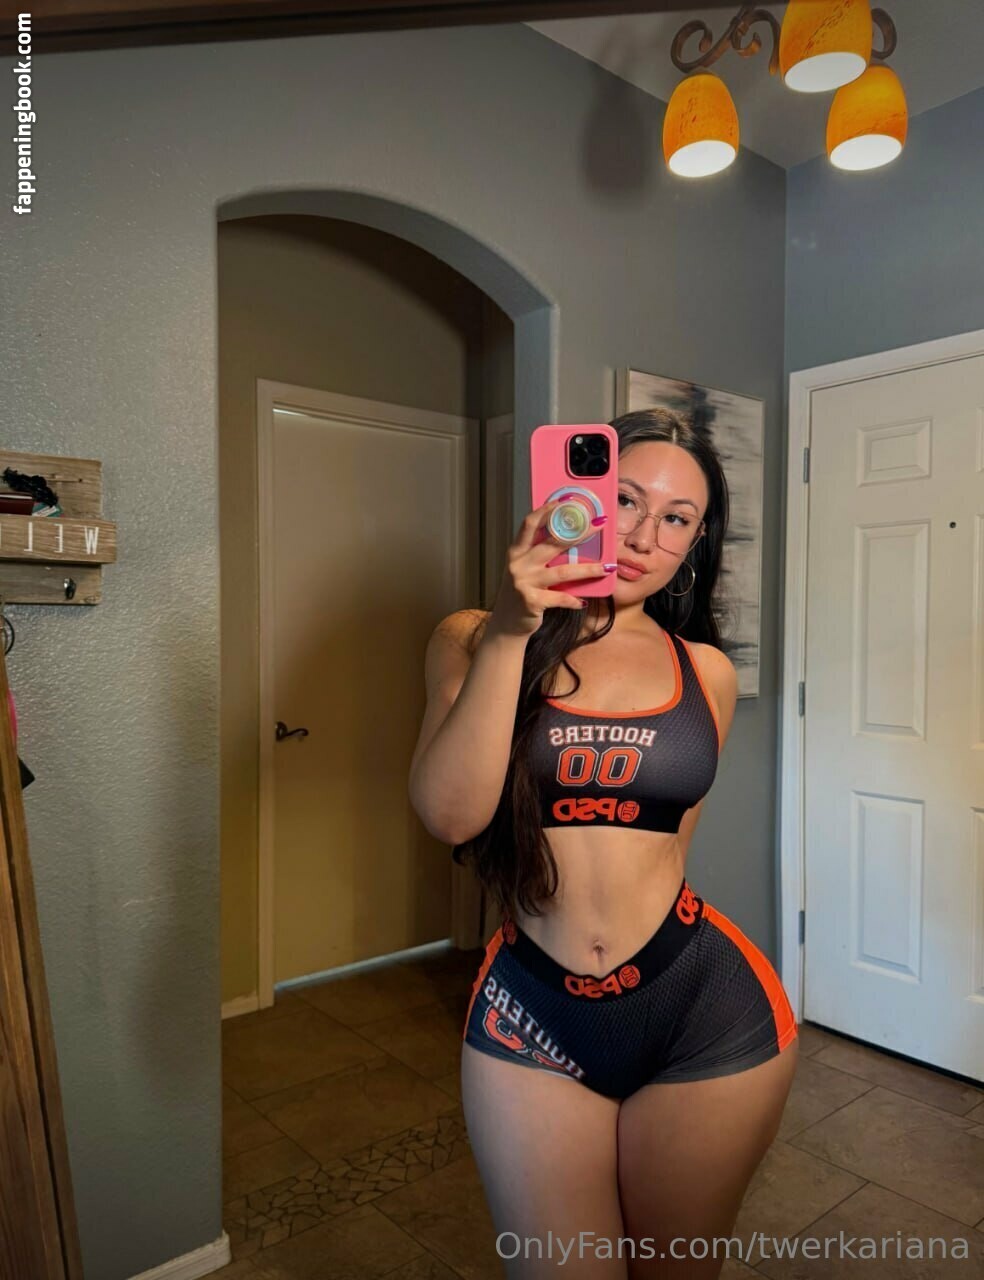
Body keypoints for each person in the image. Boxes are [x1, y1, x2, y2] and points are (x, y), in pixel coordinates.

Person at [408, 408, 798, 1278]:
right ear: (573, 496)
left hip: (701, 1006)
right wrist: (514, 630)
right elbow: (451, 816)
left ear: (694, 545)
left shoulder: (706, 672)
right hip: (532, 1014)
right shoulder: (469, 636)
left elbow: (668, 849)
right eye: (622, 499)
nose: (642, 535)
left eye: (676, 518)